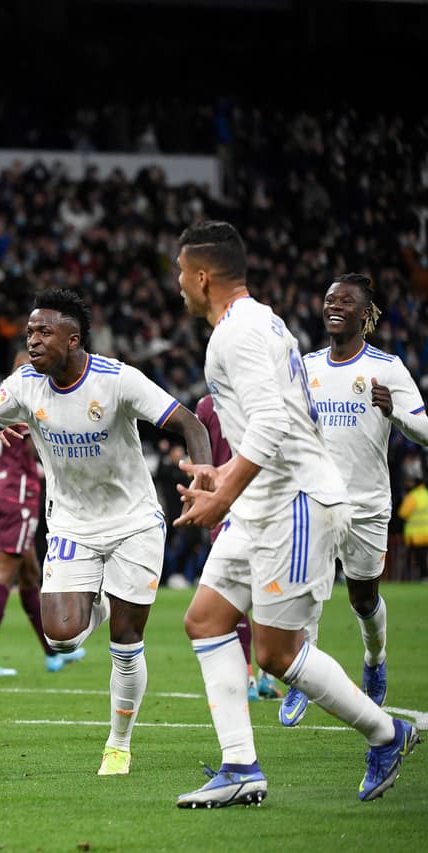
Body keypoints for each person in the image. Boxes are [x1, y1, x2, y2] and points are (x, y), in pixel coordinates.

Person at [173, 220, 418, 807]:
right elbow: (271, 415)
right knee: (204, 621)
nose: (178, 284)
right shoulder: (261, 322)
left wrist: (226, 490)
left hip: (296, 502)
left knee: (276, 654)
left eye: (181, 273)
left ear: (202, 277)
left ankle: (388, 734)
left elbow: (273, 422)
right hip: (265, 500)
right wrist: (223, 477)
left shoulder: (236, 334)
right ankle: (241, 767)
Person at [0, 288, 213, 777]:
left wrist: (205, 479)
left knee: (125, 640)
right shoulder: (23, 385)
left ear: (73, 338)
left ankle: (118, 745)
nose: (32, 339)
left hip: (134, 521)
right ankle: (103, 601)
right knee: (60, 636)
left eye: (44, 331)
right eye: (30, 331)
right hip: (72, 524)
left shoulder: (117, 379)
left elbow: (190, 424)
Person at [280, 273, 428, 725]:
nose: (333, 307)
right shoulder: (306, 366)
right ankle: (304, 676)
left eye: (345, 301)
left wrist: (395, 412)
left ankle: (374, 657)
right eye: (328, 300)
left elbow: (425, 430)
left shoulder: (387, 368)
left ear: (365, 314)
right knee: (306, 593)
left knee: (363, 600)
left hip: (367, 505)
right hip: (314, 500)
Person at [0, 354, 86, 677]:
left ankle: (52, 653)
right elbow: (38, 446)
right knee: (5, 572)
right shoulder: (28, 396)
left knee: (29, 573)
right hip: (17, 495)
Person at [195, 394, 282, 704]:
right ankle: (266, 677)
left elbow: (201, 459)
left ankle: (247, 675)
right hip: (263, 502)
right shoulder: (264, 401)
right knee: (268, 589)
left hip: (224, 504)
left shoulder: (206, 406)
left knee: (236, 595)